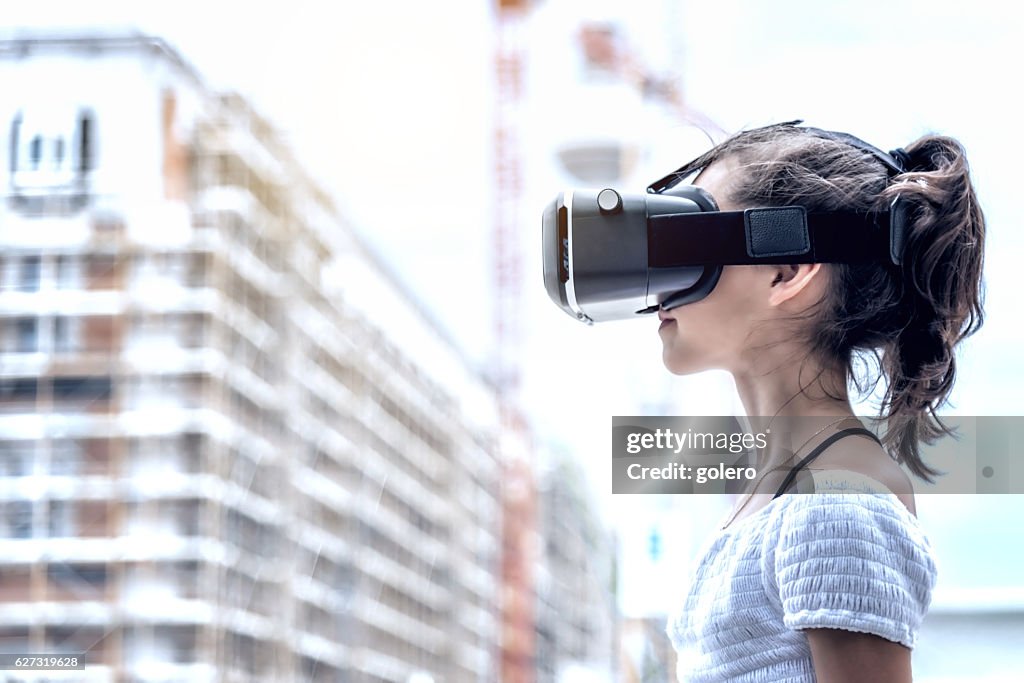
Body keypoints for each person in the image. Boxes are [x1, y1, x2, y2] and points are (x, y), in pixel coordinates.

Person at [659, 121, 985, 682]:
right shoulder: (787, 490)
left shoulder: (835, 500)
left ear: (786, 270)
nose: (663, 273)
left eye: (692, 236)